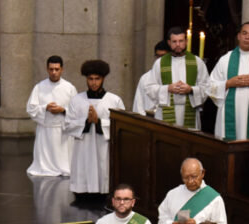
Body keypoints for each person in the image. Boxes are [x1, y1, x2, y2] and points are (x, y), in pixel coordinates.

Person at [64, 59, 123, 196]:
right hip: (83, 147)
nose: (94, 82)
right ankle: (82, 191)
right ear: (86, 79)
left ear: (103, 79)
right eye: (90, 79)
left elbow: (120, 125)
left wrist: (99, 122)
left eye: (97, 79)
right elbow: (68, 124)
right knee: (83, 168)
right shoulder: (77, 100)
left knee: (103, 168)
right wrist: (85, 122)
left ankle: (103, 191)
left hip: (103, 147)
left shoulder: (114, 100)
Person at [157, 157, 228, 224]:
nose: (190, 181)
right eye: (186, 177)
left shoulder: (214, 198)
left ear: (202, 173)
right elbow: (162, 217)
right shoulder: (173, 194)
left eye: (194, 176)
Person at [143, 26, 209, 130]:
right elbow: (149, 88)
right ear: (169, 43)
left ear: (186, 41)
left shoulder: (197, 62)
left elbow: (206, 87)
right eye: (174, 41)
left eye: (181, 41)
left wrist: (191, 89)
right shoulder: (160, 63)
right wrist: (168, 88)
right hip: (165, 111)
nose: (178, 44)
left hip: (190, 110)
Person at [26, 55, 77, 177]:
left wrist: (63, 110)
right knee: (45, 160)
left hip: (62, 129)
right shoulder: (39, 87)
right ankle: (45, 167)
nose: (54, 72)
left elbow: (76, 110)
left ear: (62, 69)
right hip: (46, 129)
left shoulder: (69, 88)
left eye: (57, 69)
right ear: (47, 69)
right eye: (51, 69)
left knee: (63, 160)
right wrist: (45, 108)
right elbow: (31, 108)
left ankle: (63, 167)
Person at [133, 41, 169, 114]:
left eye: (163, 56)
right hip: (149, 121)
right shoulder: (146, 78)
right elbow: (138, 105)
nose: (159, 60)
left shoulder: (176, 76)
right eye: (158, 56)